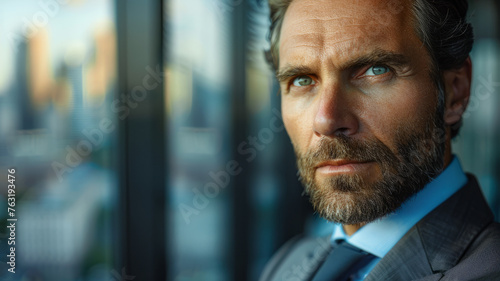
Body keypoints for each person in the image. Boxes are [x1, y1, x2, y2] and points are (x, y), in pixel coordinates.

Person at [259, 0, 500, 280]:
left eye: (375, 70)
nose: (326, 120)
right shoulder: (287, 263)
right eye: (302, 80)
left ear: (455, 92)